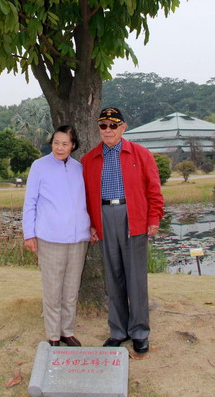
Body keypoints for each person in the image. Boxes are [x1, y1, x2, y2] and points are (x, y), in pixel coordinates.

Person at [81, 107, 164, 354]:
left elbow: (153, 189)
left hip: (133, 215)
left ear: (123, 127)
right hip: (104, 216)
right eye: (103, 126)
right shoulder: (89, 159)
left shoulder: (140, 154)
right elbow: (85, 196)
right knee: (113, 275)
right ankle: (117, 330)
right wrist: (91, 223)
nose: (108, 130)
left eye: (113, 125)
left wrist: (154, 217)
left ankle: (139, 332)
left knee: (136, 277)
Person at [23, 125, 90, 347]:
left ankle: (66, 331)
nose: (59, 148)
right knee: (53, 290)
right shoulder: (39, 166)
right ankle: (53, 335)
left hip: (78, 239)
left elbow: (85, 201)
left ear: (73, 145)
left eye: (65, 144)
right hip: (50, 238)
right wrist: (29, 234)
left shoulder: (79, 168)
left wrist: (90, 227)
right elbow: (30, 203)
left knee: (71, 290)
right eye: (56, 143)